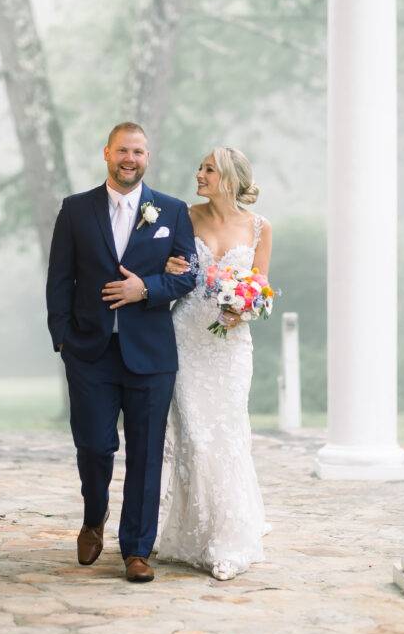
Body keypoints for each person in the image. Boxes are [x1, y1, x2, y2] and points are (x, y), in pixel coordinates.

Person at [45, 122, 197, 582]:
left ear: (147, 157)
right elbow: (59, 281)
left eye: (139, 151)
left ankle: (136, 549)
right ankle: (94, 518)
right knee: (93, 445)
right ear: (106, 153)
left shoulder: (171, 210)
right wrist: (63, 339)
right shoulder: (75, 210)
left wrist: (145, 288)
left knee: (147, 453)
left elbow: (188, 275)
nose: (131, 159)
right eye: (123, 151)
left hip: (150, 354)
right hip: (90, 351)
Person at [156, 147, 272, 581]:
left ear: (228, 178)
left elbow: (262, 290)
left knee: (226, 433)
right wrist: (167, 266)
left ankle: (229, 537)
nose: (199, 173)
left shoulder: (260, 228)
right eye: (200, 166)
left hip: (230, 347)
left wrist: (243, 307)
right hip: (185, 338)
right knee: (194, 438)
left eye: (208, 169)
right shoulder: (185, 216)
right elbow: (173, 270)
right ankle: (193, 534)